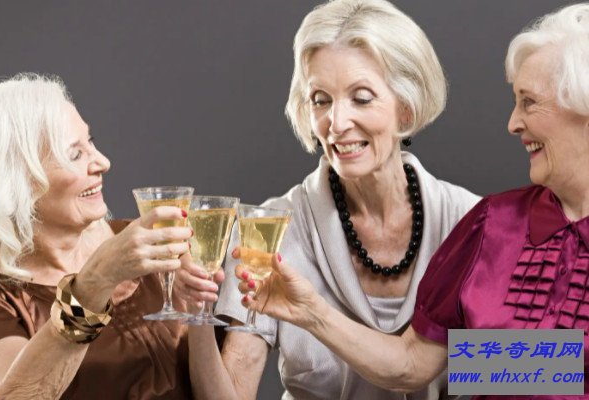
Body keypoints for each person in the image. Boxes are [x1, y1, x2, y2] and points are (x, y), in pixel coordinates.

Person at [231, 3, 589, 400]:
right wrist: (312, 313)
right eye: (321, 99)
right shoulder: (495, 224)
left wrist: (557, 364)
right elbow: (414, 365)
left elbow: (469, 369)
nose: (512, 123)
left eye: (529, 102)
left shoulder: (460, 211)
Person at [185, 0, 479, 398]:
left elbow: (536, 373)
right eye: (320, 100)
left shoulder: (473, 223)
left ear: (406, 109)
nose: (336, 124)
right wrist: (196, 315)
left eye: (362, 98)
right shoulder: (269, 227)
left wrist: (455, 360)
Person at [0, 73, 198, 399]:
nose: (103, 162)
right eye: (75, 154)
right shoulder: (1, 299)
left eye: (91, 142)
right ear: (18, 183)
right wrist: (93, 284)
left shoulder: (150, 244)